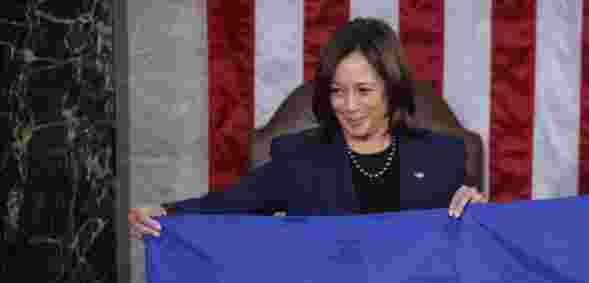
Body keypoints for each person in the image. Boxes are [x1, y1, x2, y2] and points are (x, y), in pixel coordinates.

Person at [127, 18, 484, 239]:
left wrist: (480, 216)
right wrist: (166, 214)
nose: (349, 105)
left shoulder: (442, 156)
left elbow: (467, 254)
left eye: (363, 91)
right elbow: (227, 205)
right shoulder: (299, 157)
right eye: (337, 92)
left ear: (392, 89)